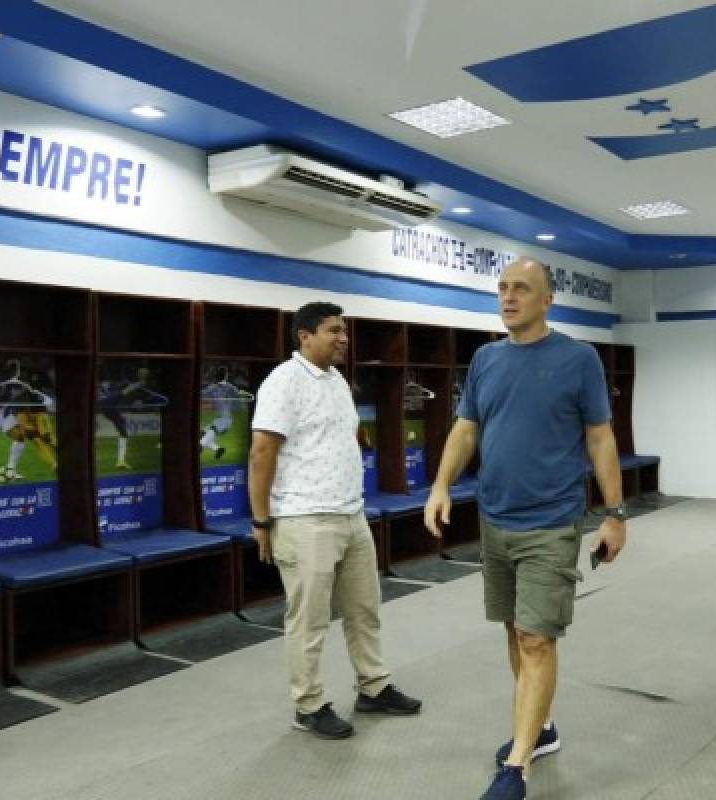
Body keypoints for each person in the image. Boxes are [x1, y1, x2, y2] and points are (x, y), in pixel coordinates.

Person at [423, 257, 627, 800]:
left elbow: (600, 438)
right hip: (495, 519)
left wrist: (615, 513)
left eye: (521, 289)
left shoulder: (578, 359)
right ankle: (541, 729)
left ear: (547, 301)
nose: (509, 297)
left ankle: (516, 767)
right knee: (515, 632)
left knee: (537, 638)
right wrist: (441, 484)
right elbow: (466, 429)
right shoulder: (486, 359)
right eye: (503, 288)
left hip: (552, 521)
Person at [249, 301, 421, 740]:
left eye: (343, 331)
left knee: (365, 608)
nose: (343, 338)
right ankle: (308, 705)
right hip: (304, 518)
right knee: (309, 621)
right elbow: (262, 452)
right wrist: (261, 520)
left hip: (350, 513)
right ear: (304, 336)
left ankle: (373, 686)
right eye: (332, 331)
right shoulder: (283, 382)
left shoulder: (337, 380)